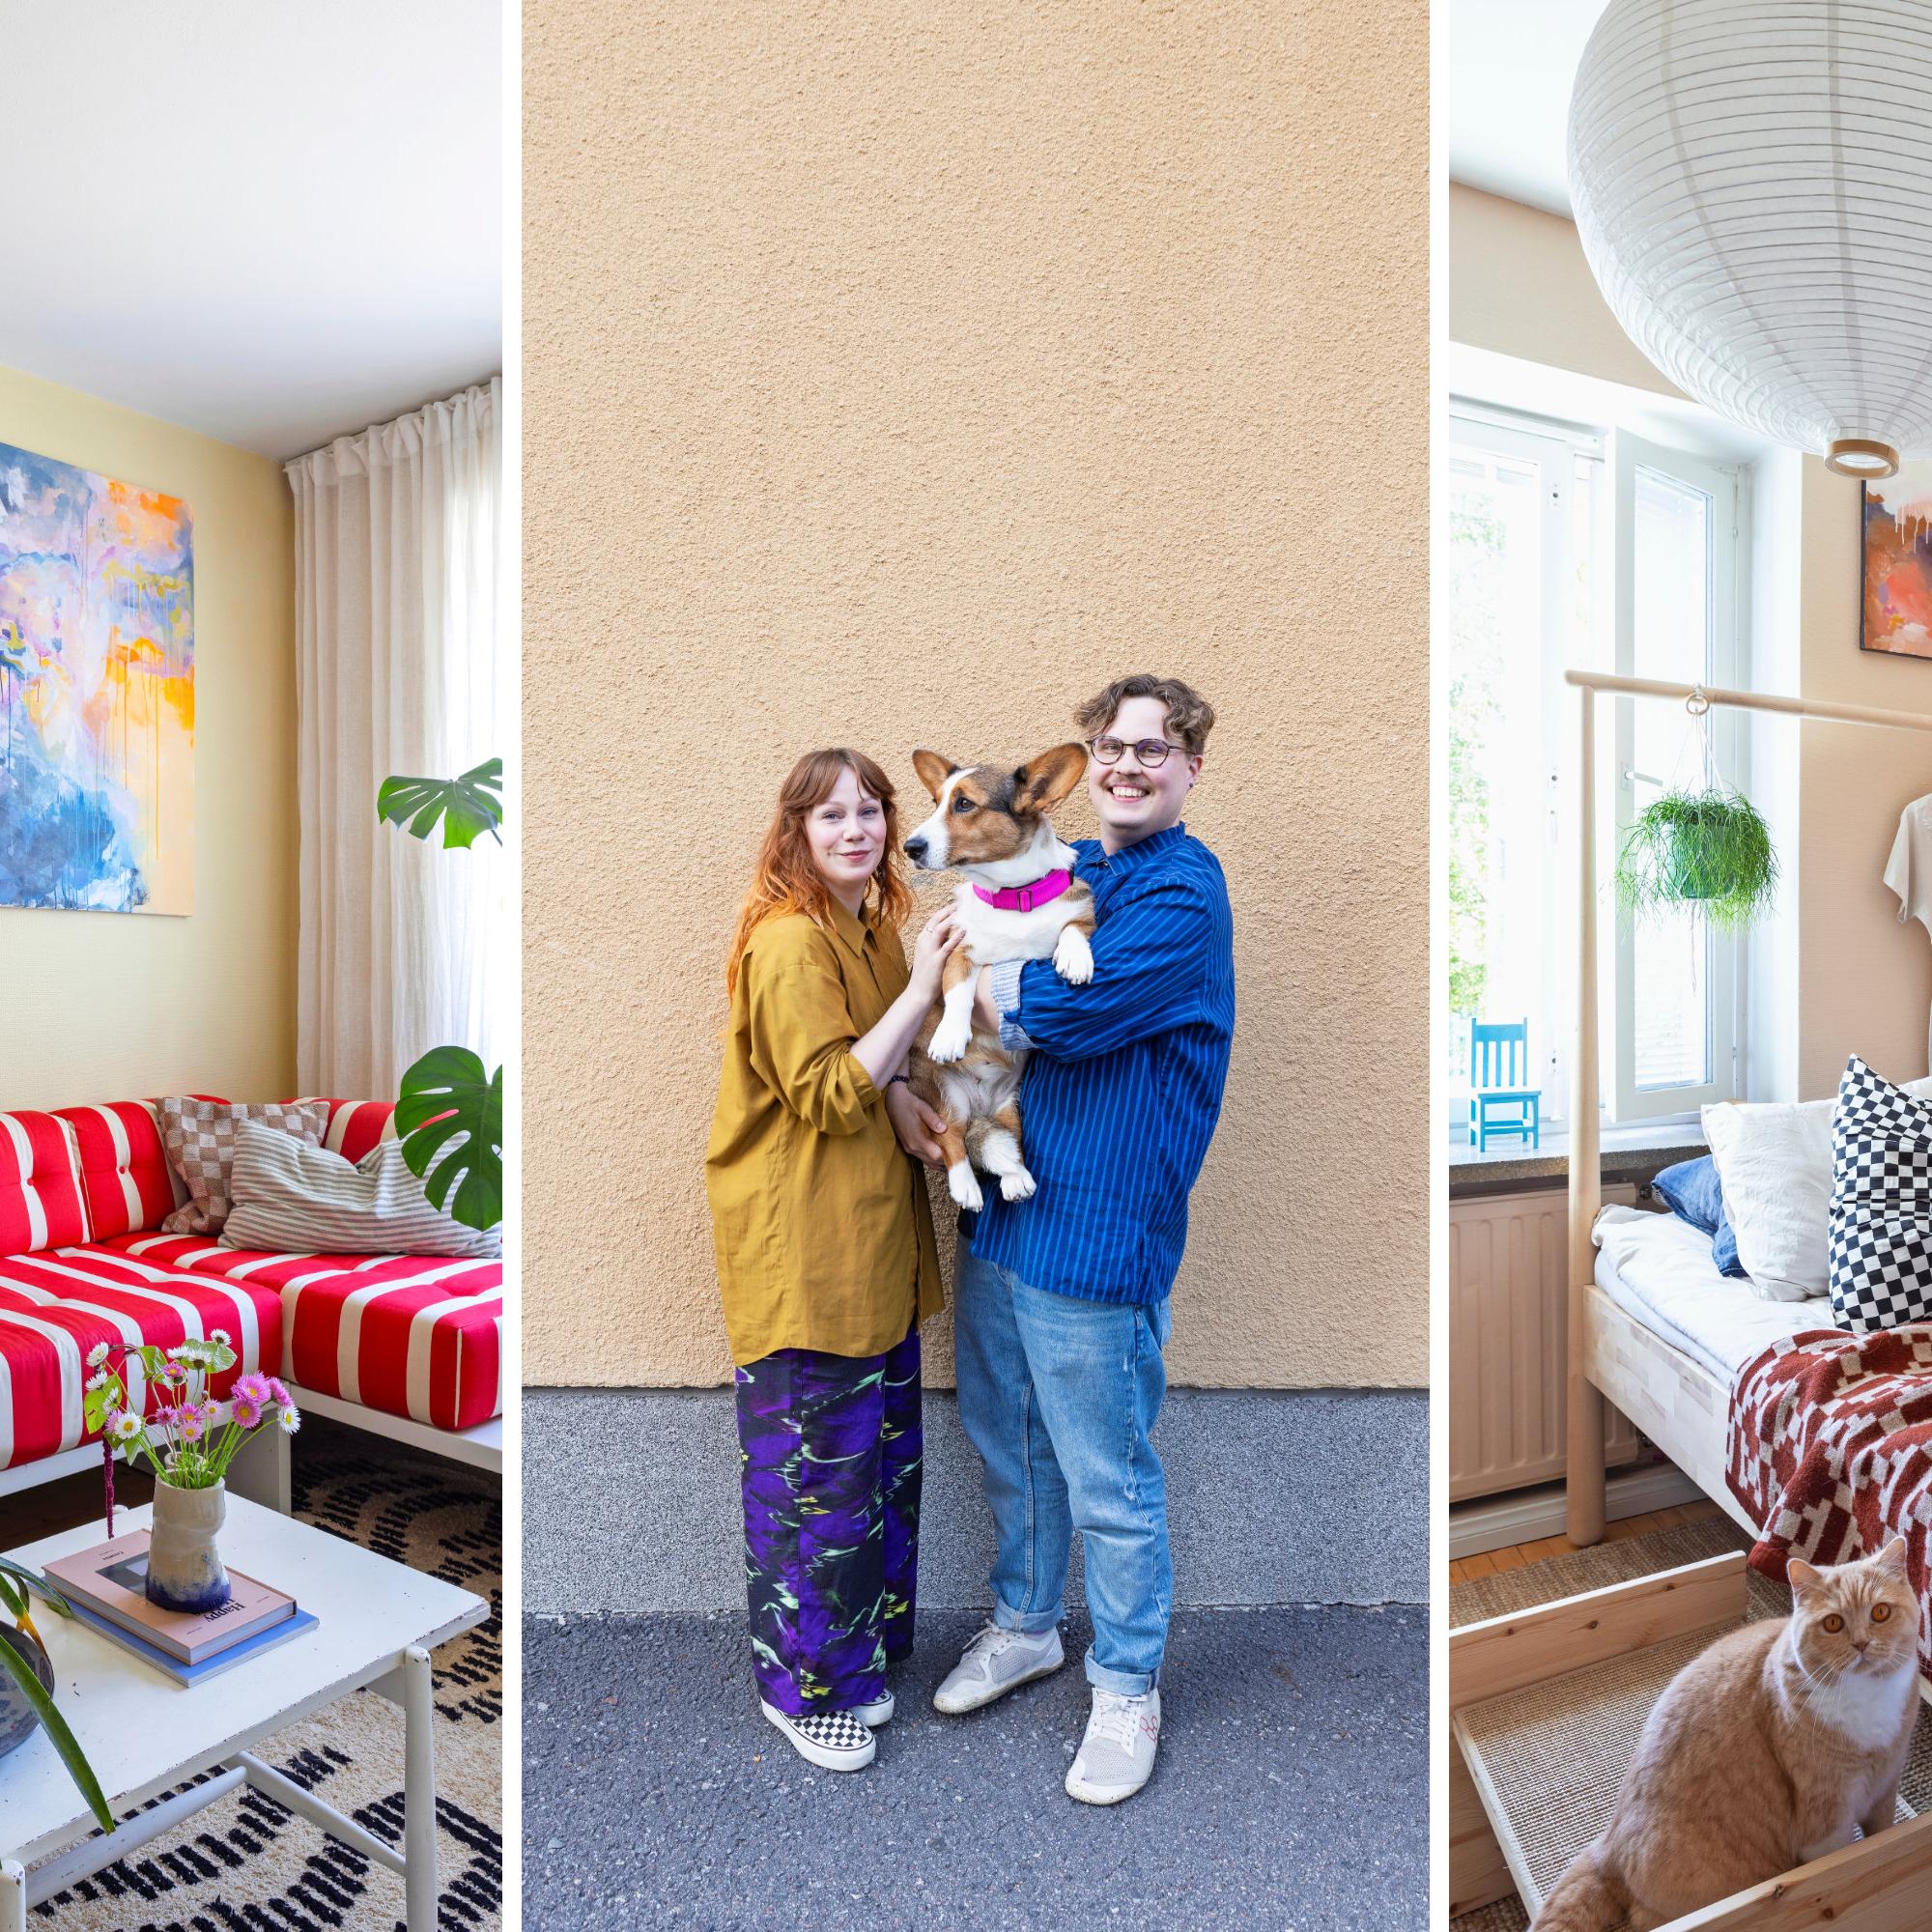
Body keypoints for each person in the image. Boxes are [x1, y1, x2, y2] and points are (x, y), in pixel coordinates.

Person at [920, 673, 1235, 1805]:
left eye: (1154, 748)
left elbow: (1060, 1013)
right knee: (1013, 1442)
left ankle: (1126, 1682)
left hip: (1098, 1228)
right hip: (1010, 1208)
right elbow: (994, 968)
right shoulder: (1080, 876)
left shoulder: (1180, 893)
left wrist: (963, 964)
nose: (1127, 764)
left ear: (1190, 766)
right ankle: (1025, 1625)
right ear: (1082, 766)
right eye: (1111, 746)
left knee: (1107, 1472)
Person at [704, 748, 961, 1773]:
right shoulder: (786, 942)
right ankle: (801, 1687)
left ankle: (852, 1665)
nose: (854, 829)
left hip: (865, 1244)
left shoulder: (864, 928)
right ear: (796, 833)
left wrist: (904, 1099)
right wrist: (924, 985)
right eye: (829, 815)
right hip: (804, 1251)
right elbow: (820, 1088)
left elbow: (872, 1068)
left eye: (868, 810)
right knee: (814, 1480)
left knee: (876, 1466)